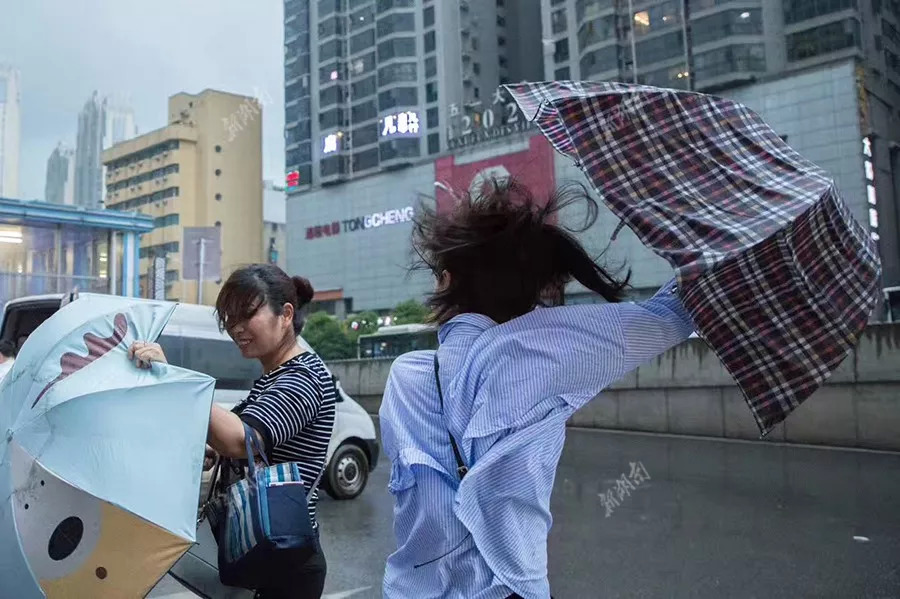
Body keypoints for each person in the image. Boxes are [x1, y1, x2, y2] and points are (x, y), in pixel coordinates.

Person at [379, 180, 697, 599]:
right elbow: (673, 314)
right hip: (507, 589)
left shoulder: (404, 378)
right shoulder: (543, 349)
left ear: (447, 281)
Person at [129, 264, 336, 599]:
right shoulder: (271, 379)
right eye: (229, 318)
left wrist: (174, 378)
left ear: (285, 314)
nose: (236, 328)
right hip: (263, 544)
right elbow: (229, 438)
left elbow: (241, 439)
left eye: (247, 315)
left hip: (288, 559)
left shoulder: (304, 377)